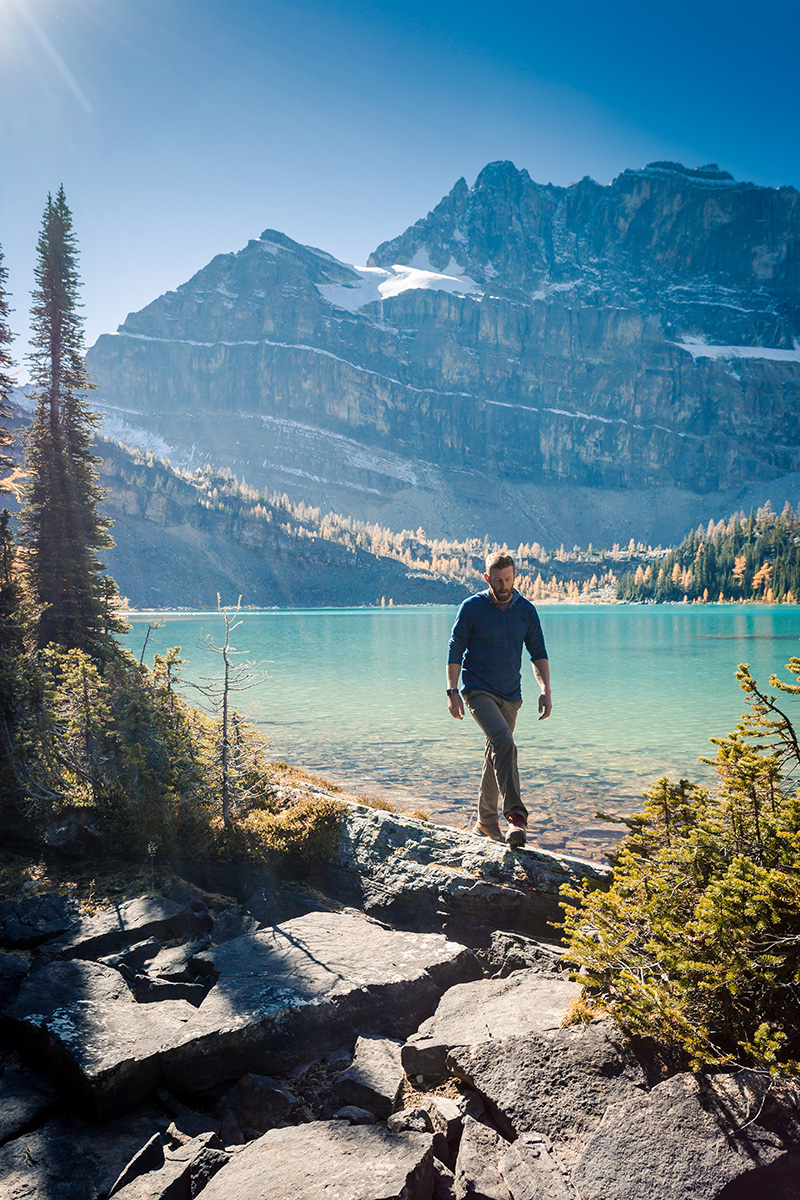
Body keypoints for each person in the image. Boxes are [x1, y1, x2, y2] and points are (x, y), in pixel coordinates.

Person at [446, 551, 552, 848]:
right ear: (486, 578)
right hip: (478, 690)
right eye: (497, 580)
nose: (503, 585)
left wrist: (545, 690)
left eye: (507, 579)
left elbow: (538, 652)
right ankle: (516, 817)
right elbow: (455, 650)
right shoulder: (472, 608)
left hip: (511, 695)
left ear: (515, 576)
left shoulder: (526, 611)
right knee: (504, 743)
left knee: (497, 752)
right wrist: (452, 692)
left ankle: (484, 821)